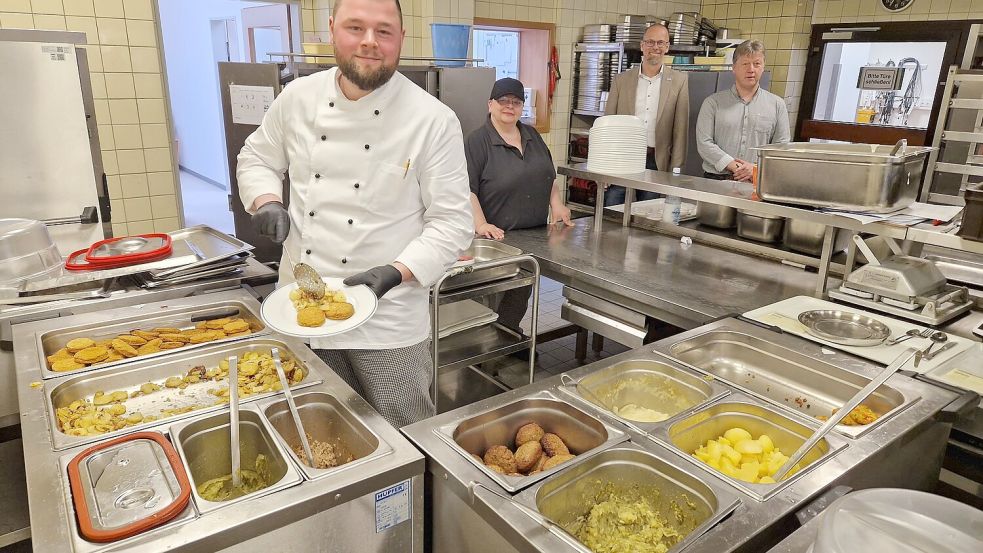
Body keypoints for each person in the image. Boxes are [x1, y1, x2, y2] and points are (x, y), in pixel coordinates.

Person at [236, 0, 473, 428]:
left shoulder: (433, 120)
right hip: (298, 307)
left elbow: (453, 222)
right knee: (311, 426)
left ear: (401, 38)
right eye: (355, 27)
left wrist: (399, 270)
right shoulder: (298, 98)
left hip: (389, 320)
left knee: (404, 432)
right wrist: (266, 200)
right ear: (332, 30)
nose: (369, 42)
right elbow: (256, 158)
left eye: (384, 31)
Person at [465, 77, 572, 333]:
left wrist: (556, 204)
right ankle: (485, 344)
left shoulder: (531, 134)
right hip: (496, 238)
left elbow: (548, 175)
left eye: (516, 101)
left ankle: (509, 336)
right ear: (491, 104)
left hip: (533, 235)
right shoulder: (477, 141)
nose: (509, 106)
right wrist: (481, 224)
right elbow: (466, 190)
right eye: (503, 101)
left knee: (519, 294)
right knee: (491, 298)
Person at [602, 23, 689, 206]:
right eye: (650, 42)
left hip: (657, 160)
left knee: (648, 214)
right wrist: (604, 167)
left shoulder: (679, 82)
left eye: (660, 42)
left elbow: (680, 131)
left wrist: (675, 172)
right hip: (623, 159)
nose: (655, 47)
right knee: (612, 209)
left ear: (667, 47)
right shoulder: (621, 80)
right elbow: (607, 125)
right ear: (642, 46)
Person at [696, 39, 790, 181]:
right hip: (716, 179)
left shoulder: (777, 105)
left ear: (763, 67)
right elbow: (704, 143)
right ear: (734, 68)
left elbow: (780, 149)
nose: (751, 69)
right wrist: (734, 166)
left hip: (756, 181)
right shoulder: (713, 103)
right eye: (745, 63)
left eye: (757, 64)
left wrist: (754, 168)